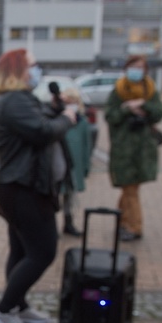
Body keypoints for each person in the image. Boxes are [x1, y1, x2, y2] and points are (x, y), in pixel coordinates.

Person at [0, 49, 75, 323]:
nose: (38, 70)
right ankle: (2, 310)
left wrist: (60, 110)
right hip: (22, 188)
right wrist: (69, 118)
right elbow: (42, 132)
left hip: (21, 185)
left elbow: (42, 121)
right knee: (43, 251)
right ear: (19, 71)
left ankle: (18, 306)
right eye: (33, 65)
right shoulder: (14, 101)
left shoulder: (20, 99)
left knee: (21, 249)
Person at [104, 54, 162, 242]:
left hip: (143, 149)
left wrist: (144, 105)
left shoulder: (150, 91)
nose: (137, 71)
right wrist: (126, 109)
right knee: (129, 188)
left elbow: (159, 112)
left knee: (131, 189)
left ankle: (128, 224)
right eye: (134, 67)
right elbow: (110, 116)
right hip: (123, 148)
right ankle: (129, 224)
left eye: (140, 68)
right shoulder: (118, 90)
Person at [60, 86, 94, 237]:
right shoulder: (57, 121)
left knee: (70, 196)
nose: (71, 105)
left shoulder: (82, 123)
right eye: (68, 102)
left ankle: (68, 223)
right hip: (59, 165)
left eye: (73, 101)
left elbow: (87, 147)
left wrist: (86, 166)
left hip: (74, 166)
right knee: (55, 197)